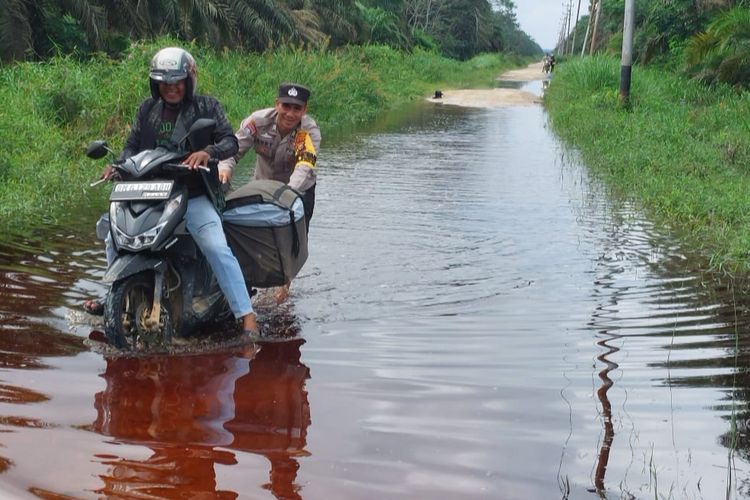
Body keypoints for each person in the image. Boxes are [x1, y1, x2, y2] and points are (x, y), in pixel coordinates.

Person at [84, 47, 258, 336]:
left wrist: (207, 152)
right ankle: (118, 295)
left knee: (215, 246)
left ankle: (247, 315)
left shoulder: (207, 107)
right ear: (156, 84)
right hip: (150, 193)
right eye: (165, 83)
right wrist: (117, 165)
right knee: (113, 234)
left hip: (194, 193)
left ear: (188, 81)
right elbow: (132, 145)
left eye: (177, 81)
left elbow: (231, 142)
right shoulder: (147, 110)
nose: (171, 88)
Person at [218, 82, 321, 303]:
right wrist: (225, 169)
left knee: (291, 241)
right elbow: (232, 150)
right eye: (286, 106)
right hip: (263, 187)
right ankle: (254, 281)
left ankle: (283, 290)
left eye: (297, 109)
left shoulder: (307, 131)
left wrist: (288, 194)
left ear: (304, 110)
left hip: (298, 191)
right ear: (277, 104)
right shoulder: (257, 122)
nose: (290, 113)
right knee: (255, 234)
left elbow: (304, 166)